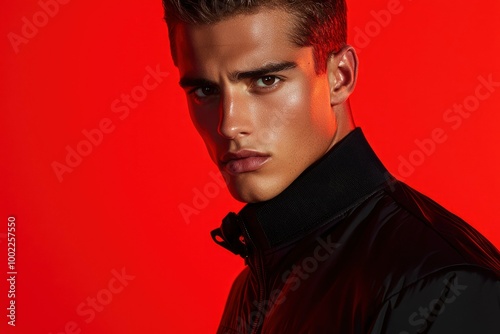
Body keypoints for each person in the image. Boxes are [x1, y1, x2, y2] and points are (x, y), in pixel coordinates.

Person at [162, 1, 500, 333]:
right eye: (205, 90)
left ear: (340, 77)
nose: (229, 124)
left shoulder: (443, 288)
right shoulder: (253, 287)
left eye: (266, 81)